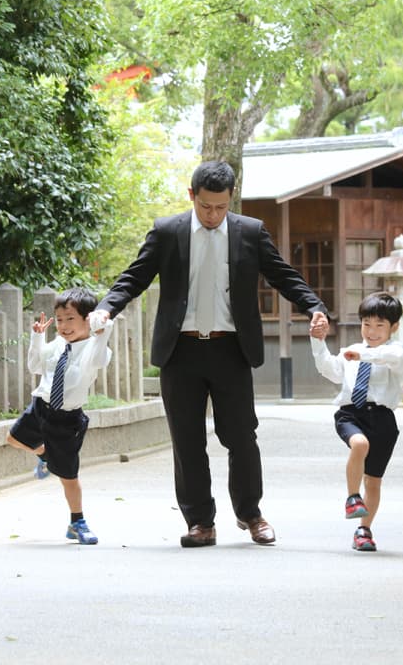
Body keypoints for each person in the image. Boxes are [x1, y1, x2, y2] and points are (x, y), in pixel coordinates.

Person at [92, 160, 329, 548]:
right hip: (180, 350)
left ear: (230, 199)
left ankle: (251, 514)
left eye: (221, 207)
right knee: (187, 441)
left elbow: (283, 275)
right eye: (205, 206)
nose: (213, 215)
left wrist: (314, 308)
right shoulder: (167, 232)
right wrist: (107, 308)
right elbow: (134, 277)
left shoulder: (249, 232)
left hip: (231, 348)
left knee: (241, 437)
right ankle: (200, 522)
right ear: (192, 196)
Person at [6, 287, 113, 545]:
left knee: (68, 477)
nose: (64, 326)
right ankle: (45, 456)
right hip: (40, 407)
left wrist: (103, 328)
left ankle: (77, 523)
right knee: (13, 438)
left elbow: (100, 356)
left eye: (70, 319)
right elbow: (35, 366)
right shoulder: (57, 344)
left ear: (87, 319)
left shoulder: (94, 349)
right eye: (60, 319)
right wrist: (37, 338)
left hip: (66, 420)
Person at [309, 291, 403, 552]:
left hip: (383, 420)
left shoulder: (398, 352)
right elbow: (329, 369)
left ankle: (364, 530)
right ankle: (352, 497)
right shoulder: (351, 352)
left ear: (394, 327)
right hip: (351, 413)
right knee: (359, 444)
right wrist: (318, 341)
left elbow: (393, 358)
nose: (372, 331)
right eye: (367, 324)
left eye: (379, 325)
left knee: (374, 481)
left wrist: (364, 356)